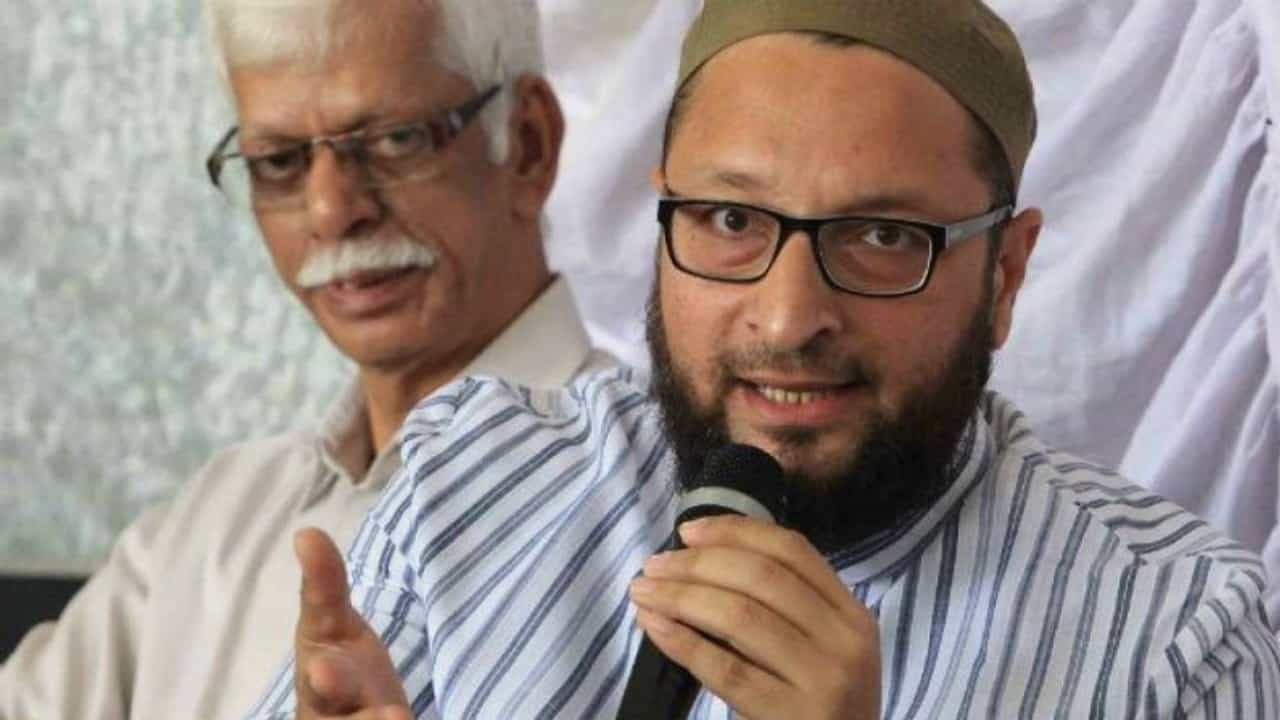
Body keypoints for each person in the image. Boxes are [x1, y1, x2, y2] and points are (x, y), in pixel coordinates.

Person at [250, 1, 1280, 718]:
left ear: (1004, 274)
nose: (787, 320)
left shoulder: (1180, 641)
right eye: (732, 220)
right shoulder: (471, 487)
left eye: (881, 237)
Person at [0, 1, 612, 718]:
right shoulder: (211, 527)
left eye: (395, 140)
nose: (330, 210)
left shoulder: (656, 508)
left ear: (529, 145)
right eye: (281, 161)